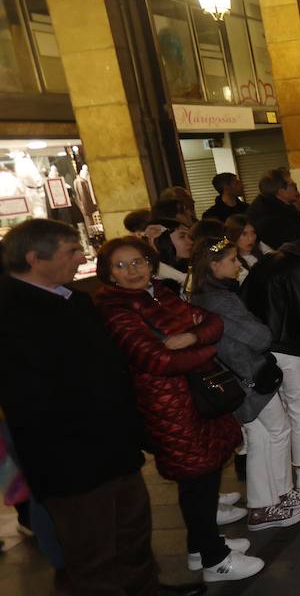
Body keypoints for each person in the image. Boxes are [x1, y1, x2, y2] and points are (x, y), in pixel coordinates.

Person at [0, 220, 209, 596]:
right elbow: (33, 398)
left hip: (115, 445)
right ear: (35, 259)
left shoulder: (76, 299)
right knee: (91, 552)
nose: (82, 257)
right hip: (69, 459)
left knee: (132, 533)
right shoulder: (11, 313)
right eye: (71, 251)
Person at [93, 237, 263, 582]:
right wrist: (205, 351)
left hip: (194, 396)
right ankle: (215, 561)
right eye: (121, 266)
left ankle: (201, 548)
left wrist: (190, 339)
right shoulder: (116, 309)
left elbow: (211, 322)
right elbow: (155, 358)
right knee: (196, 477)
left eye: (138, 261)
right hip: (168, 405)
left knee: (206, 473)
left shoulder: (159, 292)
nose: (133, 271)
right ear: (108, 274)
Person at [186, 237, 300, 532]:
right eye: (231, 260)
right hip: (247, 378)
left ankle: (279, 494)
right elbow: (259, 337)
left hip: (240, 376)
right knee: (270, 435)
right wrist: (259, 333)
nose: (238, 264)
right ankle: (262, 505)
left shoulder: (208, 297)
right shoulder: (218, 300)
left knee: (269, 435)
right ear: (214, 266)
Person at [239, 233, 300, 497]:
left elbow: (244, 300)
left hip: (261, 347)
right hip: (289, 346)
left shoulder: (266, 262)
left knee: (284, 412)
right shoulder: (299, 268)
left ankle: (295, 474)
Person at [248, 168, 300, 250]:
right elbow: (292, 246)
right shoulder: (269, 218)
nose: (296, 187)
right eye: (292, 185)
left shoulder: (279, 207)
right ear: (281, 192)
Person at [151, 219, 193, 288]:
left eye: (190, 237)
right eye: (182, 236)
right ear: (163, 241)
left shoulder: (188, 265)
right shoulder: (159, 276)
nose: (190, 242)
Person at [224, 214, 264, 280]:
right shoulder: (231, 261)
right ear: (233, 235)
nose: (251, 238)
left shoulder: (261, 246)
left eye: (253, 232)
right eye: (244, 234)